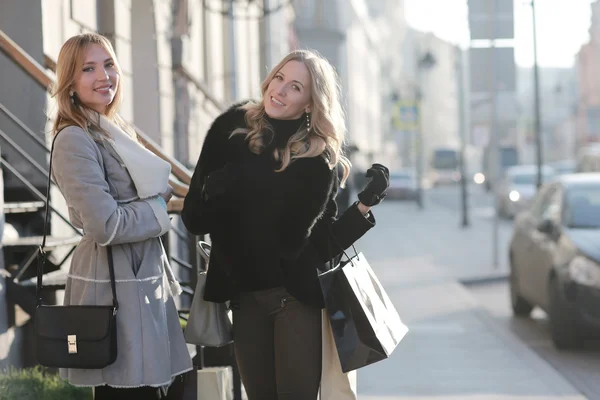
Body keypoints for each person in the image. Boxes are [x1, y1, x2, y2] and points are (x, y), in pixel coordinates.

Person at [181, 49, 389, 399]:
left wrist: (364, 206)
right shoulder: (230, 131)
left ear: (310, 103)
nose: (280, 91)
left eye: (295, 87)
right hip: (244, 299)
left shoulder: (316, 158)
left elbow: (315, 245)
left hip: (295, 299)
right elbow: (193, 217)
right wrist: (223, 186)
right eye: (279, 78)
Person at [49, 33, 192, 400]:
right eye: (88, 68)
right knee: (128, 391)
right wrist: (159, 207)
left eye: (109, 64)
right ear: (70, 82)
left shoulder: (112, 129)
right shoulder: (74, 138)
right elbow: (104, 224)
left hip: (142, 278)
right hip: (113, 284)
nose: (104, 76)